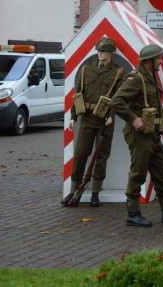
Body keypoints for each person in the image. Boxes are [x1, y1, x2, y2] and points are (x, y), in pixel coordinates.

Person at [109, 44, 163, 227]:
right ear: (149, 61)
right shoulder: (136, 79)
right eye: (158, 58)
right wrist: (134, 119)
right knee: (138, 173)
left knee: (162, 172)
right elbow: (116, 102)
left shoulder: (151, 77)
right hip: (139, 135)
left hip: (152, 134)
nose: (161, 61)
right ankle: (132, 213)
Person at [62, 37, 124, 207]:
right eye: (98, 50)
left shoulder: (118, 72)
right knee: (81, 154)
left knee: (101, 156)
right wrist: (73, 117)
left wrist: (112, 114)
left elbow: (119, 97)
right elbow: (77, 94)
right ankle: (75, 190)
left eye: (103, 51)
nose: (100, 53)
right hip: (87, 118)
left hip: (105, 120)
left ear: (110, 53)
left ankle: (96, 192)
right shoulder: (85, 70)